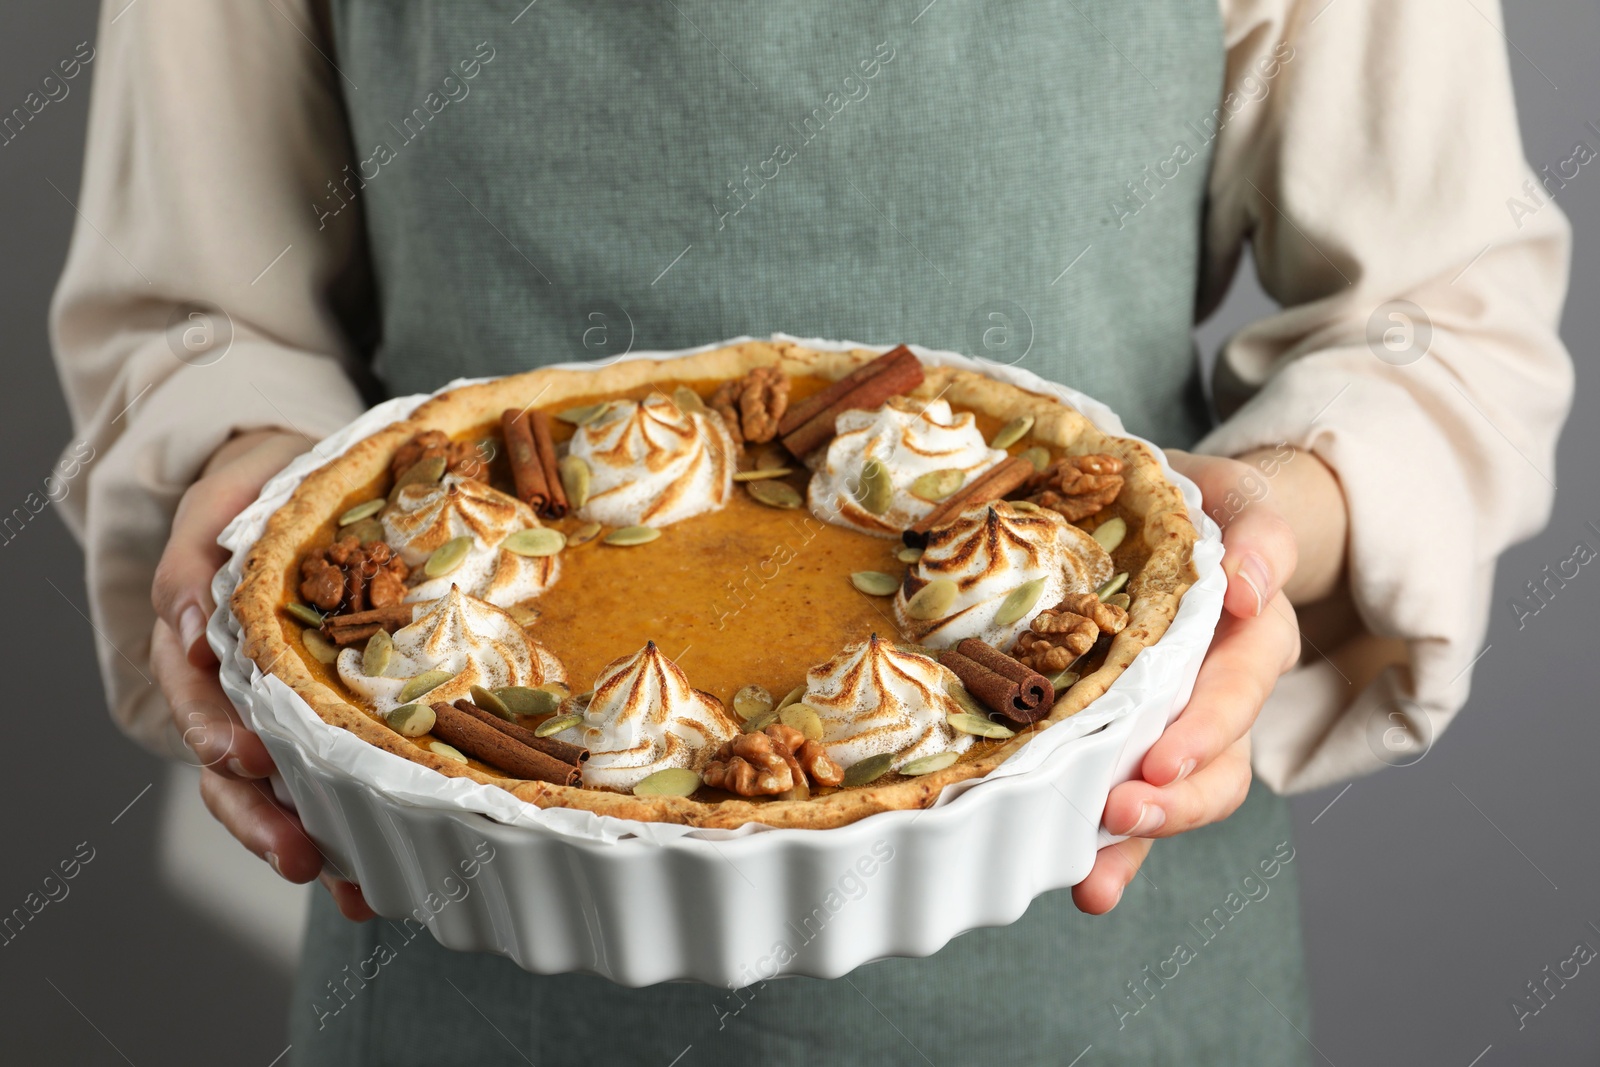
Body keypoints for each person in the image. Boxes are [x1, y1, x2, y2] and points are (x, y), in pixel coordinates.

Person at [51, 0, 1571, 1063]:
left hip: (1109, 942)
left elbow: (1441, 310)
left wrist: (1272, 524)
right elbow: (199, 304)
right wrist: (239, 489)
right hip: (464, 951)